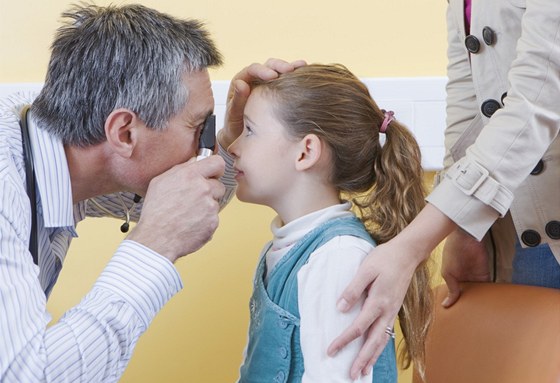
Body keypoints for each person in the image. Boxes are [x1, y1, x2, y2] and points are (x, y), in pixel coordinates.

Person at [0, 3, 303, 381]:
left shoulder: (58, 143)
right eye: (197, 127)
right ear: (124, 132)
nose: (201, 147)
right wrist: (154, 245)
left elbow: (177, 200)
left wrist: (229, 141)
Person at [327, 0, 560, 379]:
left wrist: (410, 248)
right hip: (515, 223)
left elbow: (534, 105)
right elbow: (469, 113)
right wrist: (465, 229)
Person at [228, 64, 432, 382]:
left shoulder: (339, 256)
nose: (232, 146)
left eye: (249, 130)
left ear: (306, 151)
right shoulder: (286, 248)